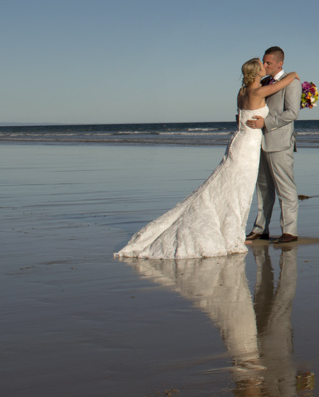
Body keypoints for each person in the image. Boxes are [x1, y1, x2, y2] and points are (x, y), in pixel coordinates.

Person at [115, 58, 300, 258]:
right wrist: (293, 75)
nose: (265, 66)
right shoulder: (259, 91)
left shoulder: (242, 92)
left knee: (230, 186)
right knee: (240, 190)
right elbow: (285, 81)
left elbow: (242, 114)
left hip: (239, 142)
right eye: (262, 65)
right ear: (257, 73)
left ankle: (236, 231)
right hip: (249, 147)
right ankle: (234, 234)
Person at [244, 46, 302, 244]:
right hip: (259, 143)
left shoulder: (291, 84)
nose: (265, 65)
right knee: (263, 189)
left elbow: (292, 114)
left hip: (279, 144)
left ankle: (289, 231)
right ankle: (261, 229)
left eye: (269, 62)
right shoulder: (265, 83)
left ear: (280, 63)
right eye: (264, 61)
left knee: (285, 188)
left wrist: (266, 123)